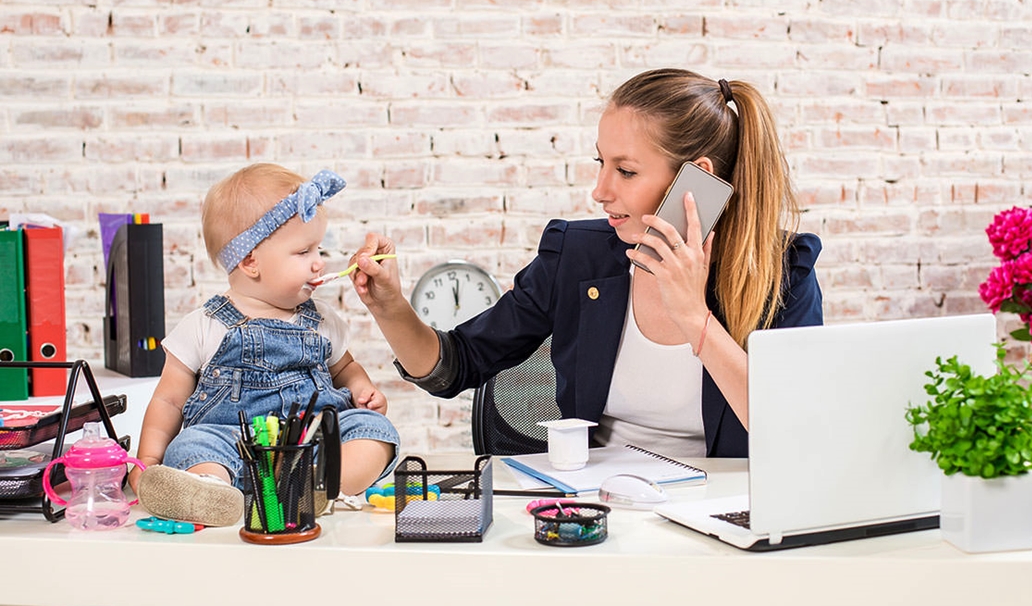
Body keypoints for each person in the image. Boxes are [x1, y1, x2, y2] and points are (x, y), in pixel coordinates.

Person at [351, 68, 822, 458]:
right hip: (599, 510)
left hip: (722, 513)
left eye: (626, 170)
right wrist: (389, 306)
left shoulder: (784, 273)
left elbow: (794, 431)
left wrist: (695, 318)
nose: (600, 190)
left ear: (694, 180)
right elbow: (457, 365)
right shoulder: (577, 254)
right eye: (601, 163)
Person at [130, 164, 400, 526]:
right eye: (304, 252)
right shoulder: (203, 326)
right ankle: (211, 489)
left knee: (374, 430)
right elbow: (169, 400)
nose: (319, 262)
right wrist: (147, 460)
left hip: (311, 447)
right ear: (250, 262)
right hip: (234, 446)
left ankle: (318, 487)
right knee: (192, 445)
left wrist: (360, 386)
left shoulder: (320, 319)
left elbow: (345, 367)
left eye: (318, 249)